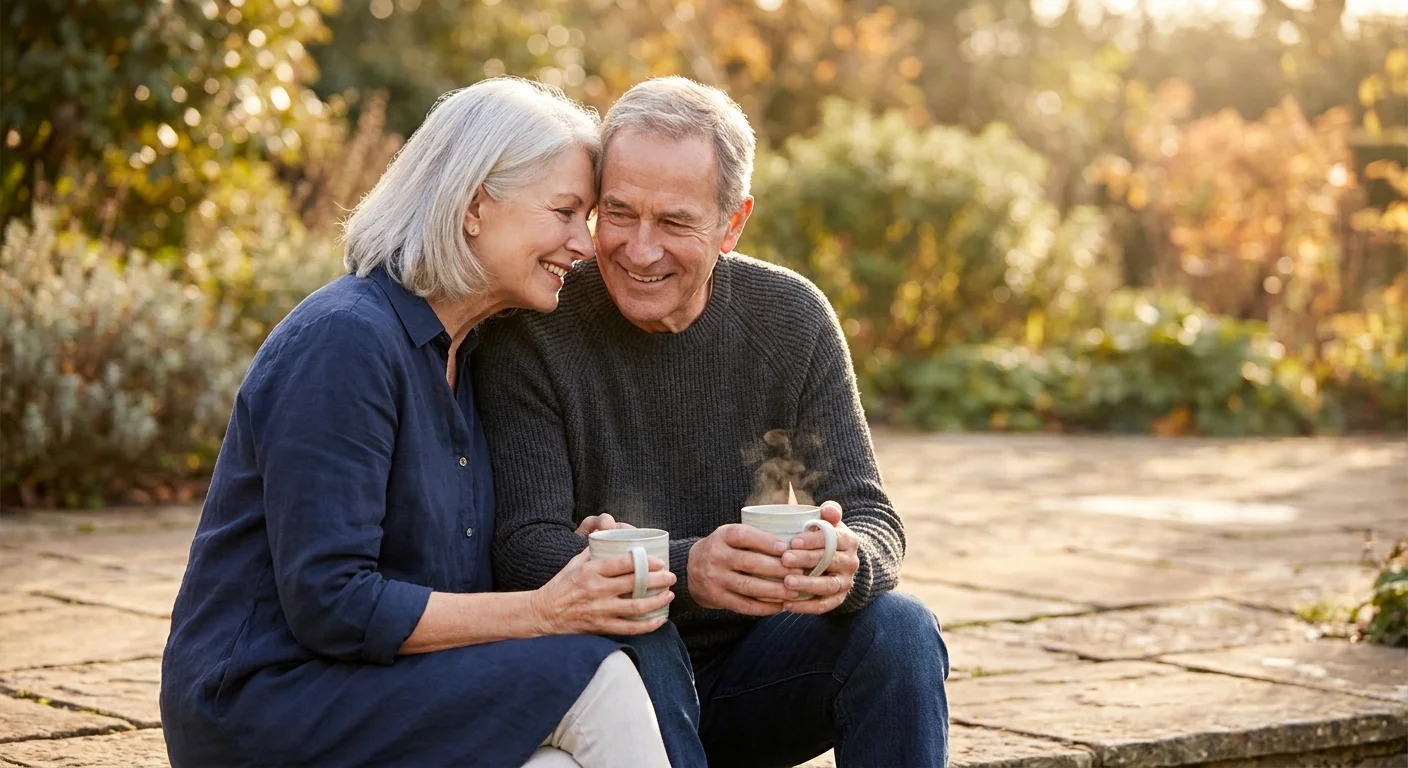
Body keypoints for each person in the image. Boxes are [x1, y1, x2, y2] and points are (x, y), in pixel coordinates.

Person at [160, 78, 674, 768]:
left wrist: (572, 562)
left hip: (380, 689)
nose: (582, 245)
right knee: (596, 676)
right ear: (472, 206)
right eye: (564, 212)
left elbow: (440, 570)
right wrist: (547, 611)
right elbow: (333, 603)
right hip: (268, 702)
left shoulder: (469, 354)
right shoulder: (345, 342)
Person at [475, 76, 950, 768]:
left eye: (673, 222)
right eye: (619, 213)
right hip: (603, 686)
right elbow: (521, 548)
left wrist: (851, 565)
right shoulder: (538, 324)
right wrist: (685, 568)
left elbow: (871, 515)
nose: (639, 250)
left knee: (902, 631)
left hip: (756, 675)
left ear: (733, 223)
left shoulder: (790, 320)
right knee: (635, 611)